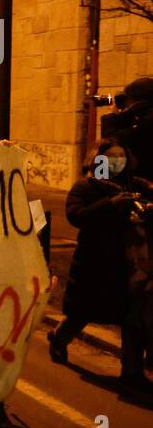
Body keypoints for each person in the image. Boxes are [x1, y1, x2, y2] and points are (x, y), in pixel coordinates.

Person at [48, 140, 153, 389]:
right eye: (110, 157)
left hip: (130, 265)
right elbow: (76, 216)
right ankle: (59, 338)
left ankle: (132, 371)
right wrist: (110, 205)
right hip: (95, 264)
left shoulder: (136, 184)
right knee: (81, 313)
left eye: (121, 156)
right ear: (98, 161)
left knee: (131, 317)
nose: (117, 161)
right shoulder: (85, 187)